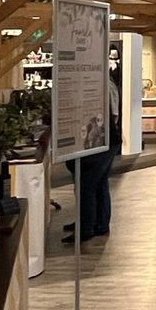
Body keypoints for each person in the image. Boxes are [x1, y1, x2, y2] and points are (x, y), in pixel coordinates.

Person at [65, 65, 122, 245]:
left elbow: (111, 114)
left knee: (87, 186)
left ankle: (87, 227)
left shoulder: (97, 89)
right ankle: (98, 224)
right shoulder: (103, 86)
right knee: (98, 184)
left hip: (101, 142)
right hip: (106, 140)